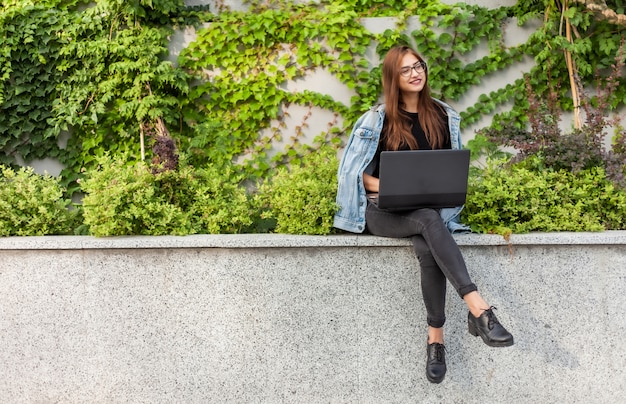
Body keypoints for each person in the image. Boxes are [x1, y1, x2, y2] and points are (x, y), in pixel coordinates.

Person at [333, 45, 514, 384]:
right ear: (393, 77)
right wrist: (388, 185)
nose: (415, 73)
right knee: (427, 221)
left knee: (426, 233)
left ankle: (436, 341)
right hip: (380, 210)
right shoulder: (378, 118)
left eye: (418, 66)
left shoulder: (443, 116)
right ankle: (478, 309)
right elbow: (353, 173)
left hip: (426, 213)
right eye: (405, 70)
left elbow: (446, 170)